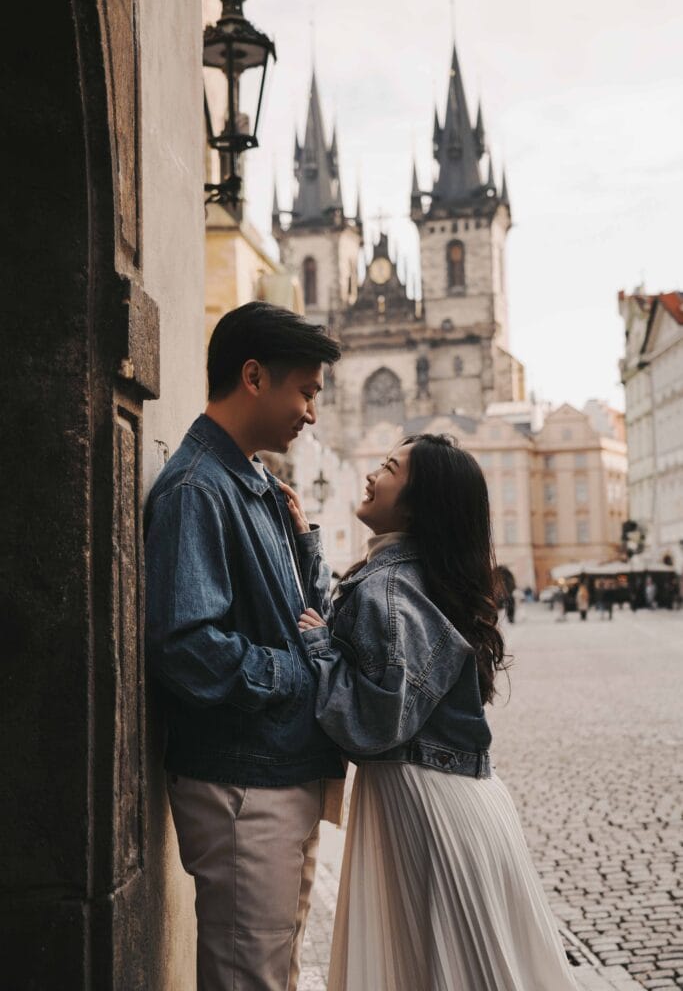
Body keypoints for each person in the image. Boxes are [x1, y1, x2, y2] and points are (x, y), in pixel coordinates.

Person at [288, 434, 578, 991]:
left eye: (390, 468)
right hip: (451, 794)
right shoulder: (411, 577)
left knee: (440, 970)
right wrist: (306, 549)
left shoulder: (394, 587)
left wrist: (320, 649)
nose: (372, 474)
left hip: (424, 799)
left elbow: (373, 723)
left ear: (418, 502)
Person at [144, 302, 346, 991]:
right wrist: (302, 675)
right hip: (241, 783)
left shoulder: (251, 482)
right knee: (248, 977)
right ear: (254, 376)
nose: (311, 412)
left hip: (276, 768)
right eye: (307, 391)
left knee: (274, 971)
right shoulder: (198, 488)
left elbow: (297, 610)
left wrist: (302, 542)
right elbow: (187, 646)